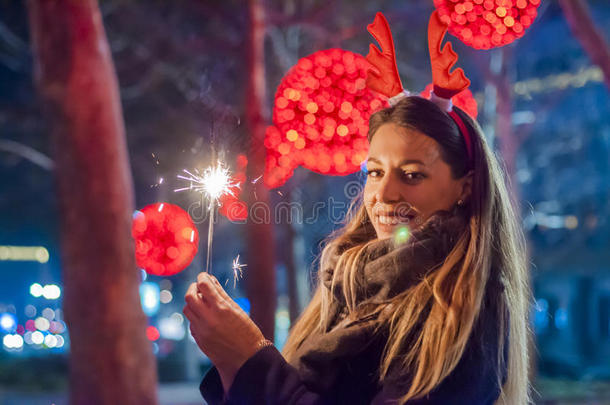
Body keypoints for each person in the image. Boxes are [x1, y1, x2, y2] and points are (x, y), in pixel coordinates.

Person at [183, 95, 533, 404]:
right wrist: (232, 364)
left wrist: (251, 361)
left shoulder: (464, 308)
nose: (384, 195)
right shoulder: (346, 283)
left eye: (411, 175)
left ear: (466, 187)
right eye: (375, 172)